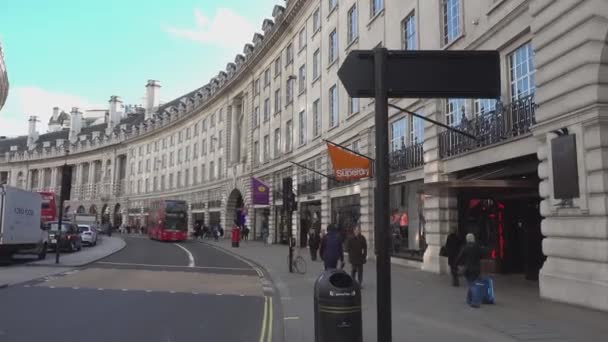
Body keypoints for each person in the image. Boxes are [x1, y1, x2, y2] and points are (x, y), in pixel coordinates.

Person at [457, 233, 483, 307]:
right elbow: (481, 256)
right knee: (472, 284)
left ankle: (475, 302)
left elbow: (459, 257)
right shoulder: (477, 247)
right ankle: (469, 299)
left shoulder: (465, 247)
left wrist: (457, 264)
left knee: (472, 285)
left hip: (468, 269)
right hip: (477, 269)